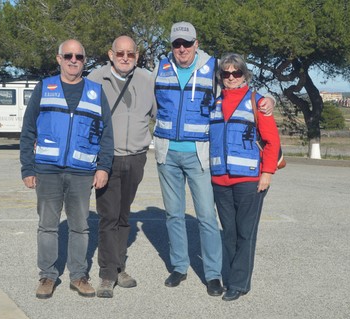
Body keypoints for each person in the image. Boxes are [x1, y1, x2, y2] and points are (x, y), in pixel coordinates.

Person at [152, 21, 275, 296]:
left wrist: (269, 101)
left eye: (187, 43)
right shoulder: (159, 68)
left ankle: (213, 274)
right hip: (166, 152)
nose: (182, 48)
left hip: (200, 155)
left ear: (197, 44)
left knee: (207, 216)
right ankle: (180, 267)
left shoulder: (214, 70)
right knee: (173, 214)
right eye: (176, 44)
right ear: (171, 46)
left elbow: (240, 95)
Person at [20, 39, 114, 299]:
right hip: (47, 170)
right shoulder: (44, 88)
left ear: (85, 61)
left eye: (79, 57)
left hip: (82, 172)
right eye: (69, 55)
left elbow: (107, 133)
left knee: (80, 227)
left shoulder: (96, 92)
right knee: (48, 226)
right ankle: (47, 276)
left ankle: (78, 276)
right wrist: (27, 167)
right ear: (59, 58)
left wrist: (103, 167)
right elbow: (28, 130)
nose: (74, 60)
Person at [87, 35, 157, 298]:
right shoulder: (95, 80)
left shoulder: (148, 80)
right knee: (108, 217)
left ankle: (119, 267)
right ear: (110, 54)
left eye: (130, 54)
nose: (125, 58)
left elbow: (161, 113)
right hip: (107, 159)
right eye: (120, 53)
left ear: (137, 56)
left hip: (137, 157)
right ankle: (107, 275)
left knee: (124, 216)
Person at [209, 53, 281, 301]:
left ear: (244, 75)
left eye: (236, 73)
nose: (231, 77)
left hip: (250, 180)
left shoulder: (258, 102)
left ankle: (239, 284)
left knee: (245, 232)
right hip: (220, 180)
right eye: (226, 73)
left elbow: (272, 141)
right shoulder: (214, 104)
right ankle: (233, 277)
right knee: (228, 232)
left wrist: (267, 173)